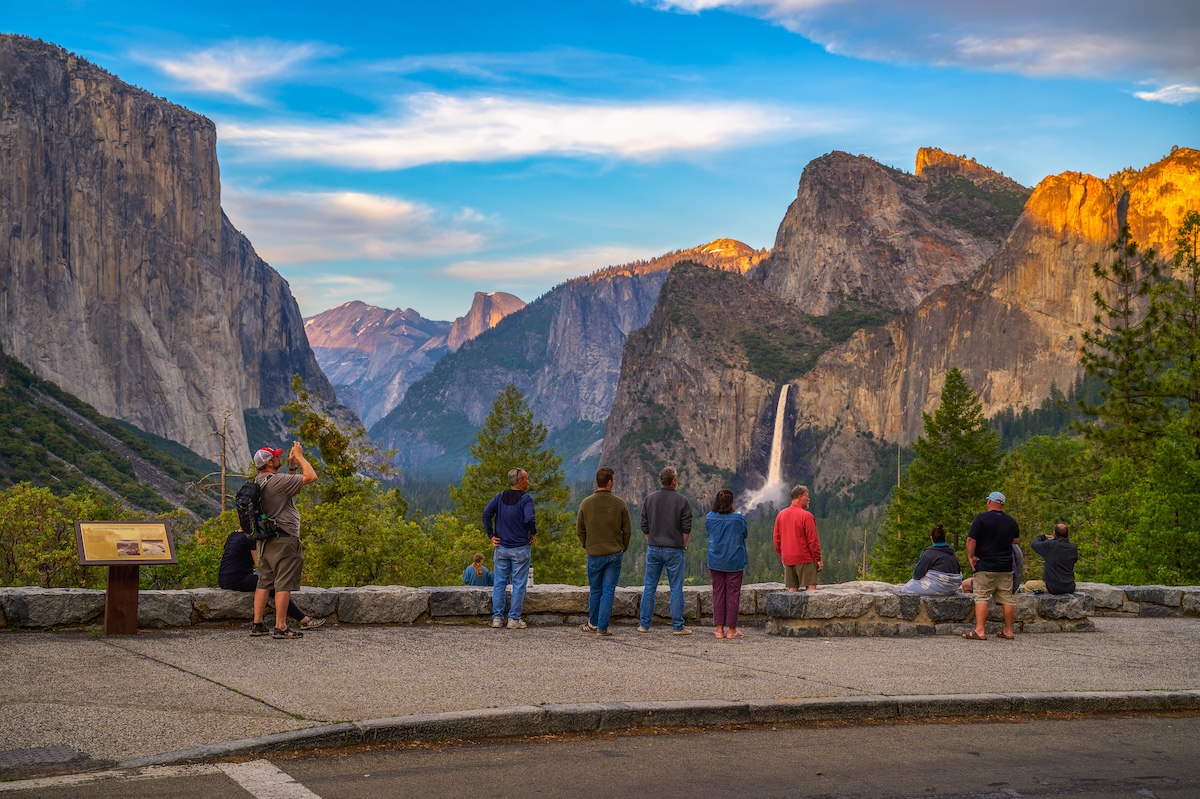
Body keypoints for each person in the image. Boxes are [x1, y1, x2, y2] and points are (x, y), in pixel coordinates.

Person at [250, 442, 317, 640]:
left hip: (266, 539)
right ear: (270, 462)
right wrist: (300, 456)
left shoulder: (259, 480)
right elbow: (311, 477)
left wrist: (292, 466)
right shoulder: (277, 480)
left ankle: (258, 624)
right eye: (276, 456)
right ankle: (280, 627)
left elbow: (291, 489)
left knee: (264, 582)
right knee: (283, 583)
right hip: (285, 539)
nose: (279, 458)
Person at [219, 529, 324, 631]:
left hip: (224, 579)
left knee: (268, 582)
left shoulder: (233, 535)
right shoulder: (249, 538)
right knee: (274, 586)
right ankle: (303, 619)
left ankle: (260, 624)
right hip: (239, 578)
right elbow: (258, 563)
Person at [576, 467, 632, 636]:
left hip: (594, 554)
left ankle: (592, 624)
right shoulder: (619, 504)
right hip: (614, 554)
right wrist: (623, 547)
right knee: (608, 591)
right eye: (612, 480)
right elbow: (627, 531)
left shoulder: (586, 503)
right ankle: (602, 628)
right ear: (609, 482)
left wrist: (588, 546)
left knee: (595, 590)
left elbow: (580, 530)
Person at [638, 466, 694, 635]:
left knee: (649, 587)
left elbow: (643, 523)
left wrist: (651, 540)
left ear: (661, 481)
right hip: (674, 549)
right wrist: (683, 545)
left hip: (654, 548)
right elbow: (686, 527)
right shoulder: (682, 501)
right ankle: (678, 626)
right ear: (674, 481)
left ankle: (644, 625)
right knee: (676, 588)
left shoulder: (649, 499)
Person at [484, 467, 537, 629]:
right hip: (520, 548)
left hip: (501, 547)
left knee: (499, 583)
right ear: (521, 482)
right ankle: (514, 619)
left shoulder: (500, 497)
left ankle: (497, 618)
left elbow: (486, 513)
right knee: (519, 584)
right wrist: (532, 533)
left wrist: (491, 535)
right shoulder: (526, 499)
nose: (528, 482)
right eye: (526, 479)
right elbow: (529, 518)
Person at [963, 491, 1020, 641]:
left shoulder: (982, 519)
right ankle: (1008, 630)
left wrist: (971, 556)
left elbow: (971, 539)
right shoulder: (1010, 521)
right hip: (1006, 565)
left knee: (981, 596)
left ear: (989, 502)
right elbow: (1016, 540)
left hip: (986, 564)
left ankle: (980, 630)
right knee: (1007, 597)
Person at [706, 488, 749, 639]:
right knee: (733, 595)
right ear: (731, 503)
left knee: (718, 593)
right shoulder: (738, 519)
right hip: (734, 562)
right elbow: (745, 534)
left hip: (716, 561)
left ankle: (719, 630)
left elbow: (708, 533)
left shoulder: (710, 517)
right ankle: (731, 630)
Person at [773, 485, 822, 592]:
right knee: (811, 586)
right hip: (805, 558)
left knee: (792, 589)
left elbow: (776, 538)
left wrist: (782, 554)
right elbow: (813, 540)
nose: (808, 499)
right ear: (800, 497)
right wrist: (818, 559)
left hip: (788, 558)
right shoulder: (807, 516)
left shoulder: (781, 515)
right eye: (806, 496)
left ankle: (791, 608)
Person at [899, 524, 963, 595]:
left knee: (906, 588)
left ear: (931, 538)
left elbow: (917, 575)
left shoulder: (929, 553)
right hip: (952, 587)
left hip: (940, 586)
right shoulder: (952, 553)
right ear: (944, 537)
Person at [1026, 523, 1079, 594]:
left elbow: (1034, 544)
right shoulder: (1073, 549)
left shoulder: (1050, 545)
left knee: (1028, 585)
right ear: (1068, 535)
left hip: (1052, 586)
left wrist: (1043, 536)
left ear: (1054, 535)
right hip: (1069, 587)